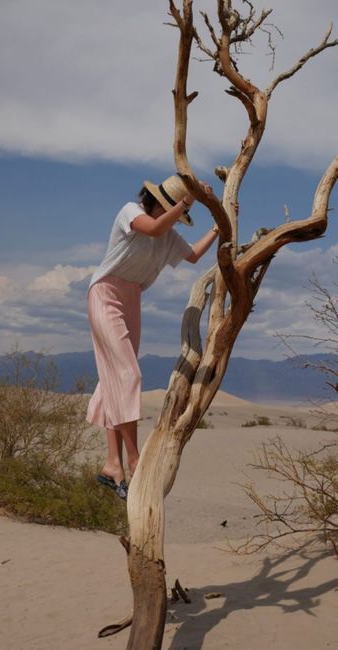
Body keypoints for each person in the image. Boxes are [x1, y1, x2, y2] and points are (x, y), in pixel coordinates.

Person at [86, 174, 218, 499]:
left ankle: (111, 464)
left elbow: (195, 255)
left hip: (132, 298)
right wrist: (190, 200)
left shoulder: (169, 235)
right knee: (127, 375)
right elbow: (152, 228)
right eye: (174, 207)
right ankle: (134, 460)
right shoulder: (130, 211)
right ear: (158, 201)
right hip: (105, 293)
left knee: (113, 379)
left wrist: (217, 224)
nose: (174, 216)